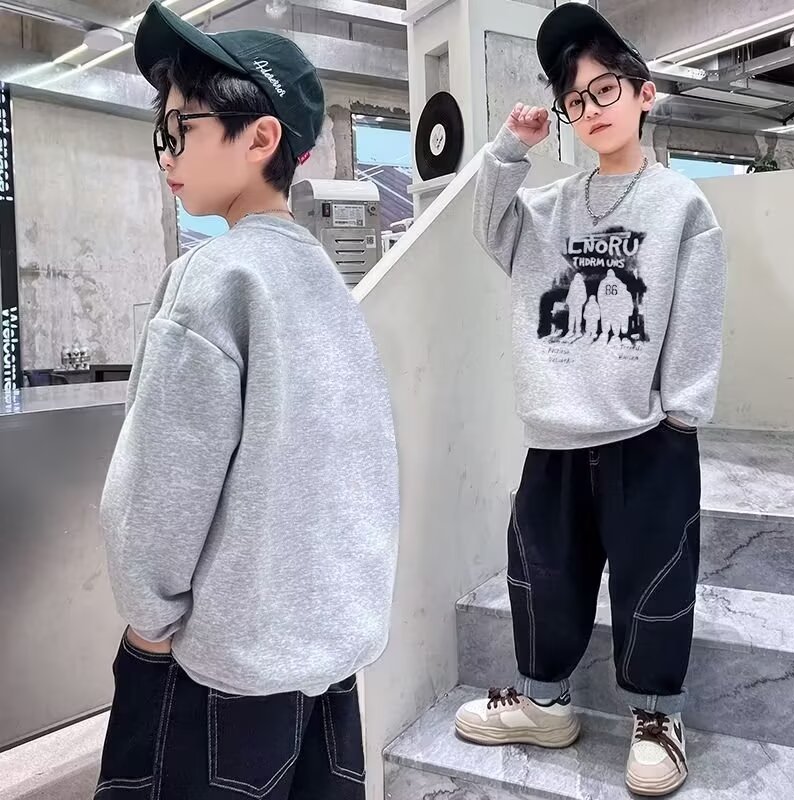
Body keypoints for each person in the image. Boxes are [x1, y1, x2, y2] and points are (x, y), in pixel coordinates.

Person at [96, 4, 399, 798]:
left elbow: (158, 492)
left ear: (260, 138)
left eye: (181, 128)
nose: (167, 152)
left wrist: (148, 622)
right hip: (329, 673)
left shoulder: (214, 278)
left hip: (220, 680)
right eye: (162, 133)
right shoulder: (331, 288)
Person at [455, 3, 726, 796]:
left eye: (605, 89)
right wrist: (512, 147)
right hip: (556, 435)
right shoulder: (549, 209)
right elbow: (489, 225)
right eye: (576, 99)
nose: (591, 108)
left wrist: (681, 415)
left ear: (644, 94)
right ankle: (544, 703)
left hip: (647, 438)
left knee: (655, 579)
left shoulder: (682, 205)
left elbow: (697, 317)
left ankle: (656, 716)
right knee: (544, 576)